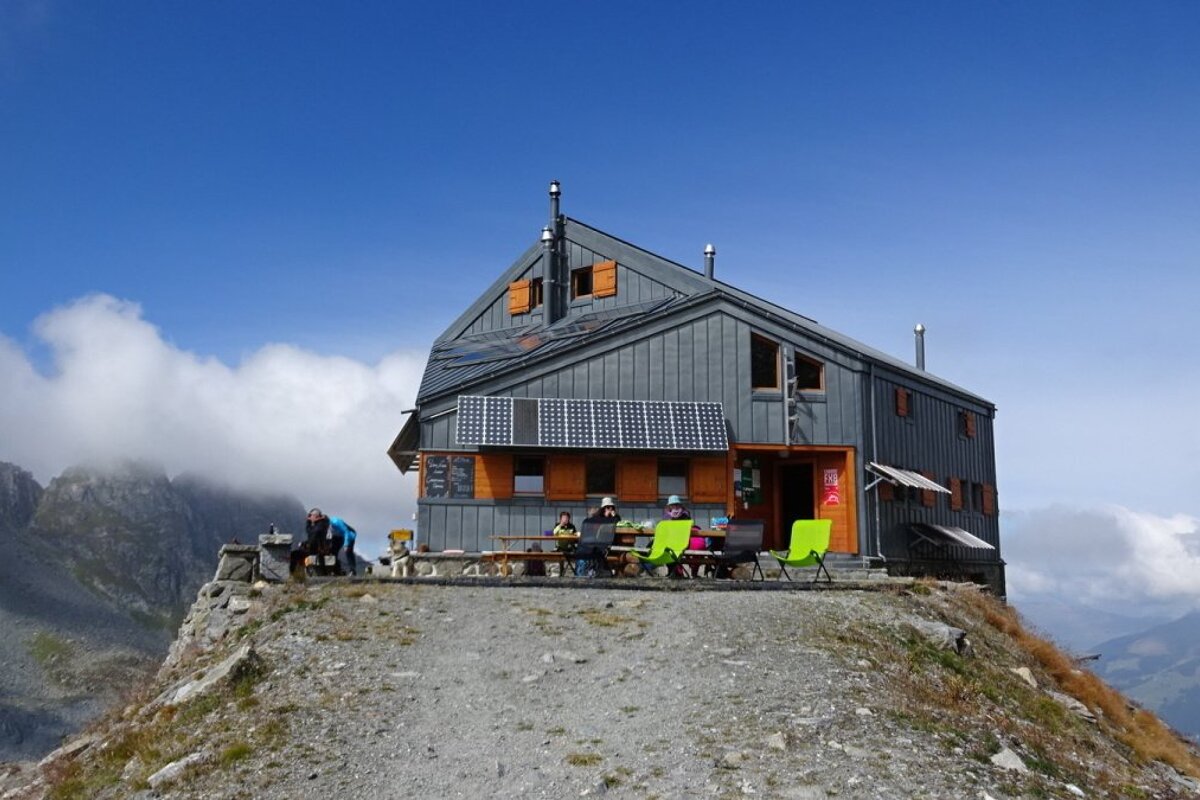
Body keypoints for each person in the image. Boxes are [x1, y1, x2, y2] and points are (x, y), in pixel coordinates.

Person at [305, 508, 332, 575]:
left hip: (321, 545)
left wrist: (309, 522)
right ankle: (310, 571)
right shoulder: (317, 524)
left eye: (312, 516)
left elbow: (314, 532)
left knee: (320, 558)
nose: (311, 518)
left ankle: (322, 573)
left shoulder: (321, 523)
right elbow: (309, 532)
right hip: (316, 545)